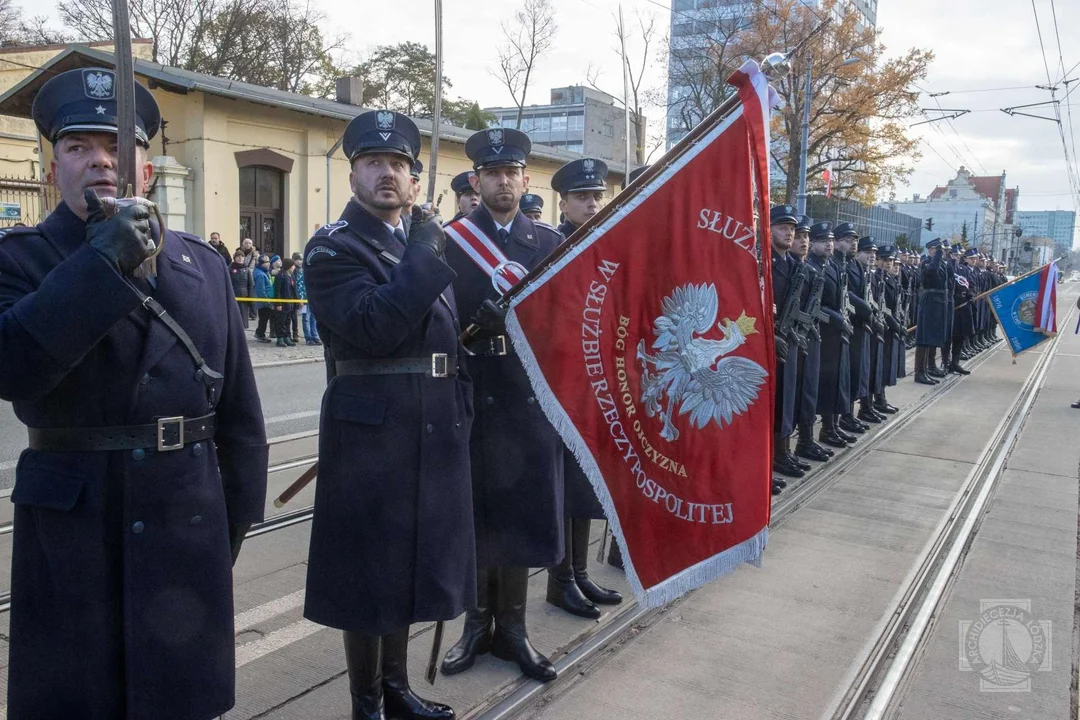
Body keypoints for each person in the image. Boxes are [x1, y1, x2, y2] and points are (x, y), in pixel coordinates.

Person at [1, 66, 267, 719]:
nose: (101, 160)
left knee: (178, 697)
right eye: (79, 147)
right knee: (78, 697)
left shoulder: (202, 266)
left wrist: (231, 519)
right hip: (75, 526)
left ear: (146, 163)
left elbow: (237, 412)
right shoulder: (19, 259)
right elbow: (15, 370)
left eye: (119, 145)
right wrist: (100, 265)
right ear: (52, 166)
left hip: (187, 517)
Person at [302, 109, 474, 720]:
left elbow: (439, 335)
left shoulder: (417, 241)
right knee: (368, 575)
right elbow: (373, 326)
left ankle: (398, 688)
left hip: (429, 428)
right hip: (371, 435)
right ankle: (366, 702)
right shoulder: (333, 248)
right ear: (352, 177)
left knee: (409, 566)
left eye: (398, 164)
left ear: (414, 178)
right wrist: (427, 256)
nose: (387, 174)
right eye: (373, 163)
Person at [441, 126, 565, 683]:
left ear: (525, 179)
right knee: (472, 514)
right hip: (468, 396)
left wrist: (519, 321)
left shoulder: (549, 246)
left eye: (511, 173)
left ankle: (512, 630)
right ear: (476, 181)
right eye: (492, 174)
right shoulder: (448, 241)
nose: (502, 182)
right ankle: (476, 625)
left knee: (517, 514)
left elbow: (567, 326)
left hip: (523, 397)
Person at [544, 158, 621, 618]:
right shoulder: (551, 247)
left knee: (586, 481)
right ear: (564, 202)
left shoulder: (606, 245)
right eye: (582, 197)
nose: (592, 203)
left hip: (596, 382)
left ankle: (578, 571)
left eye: (597, 196)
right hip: (560, 382)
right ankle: (560, 579)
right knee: (562, 484)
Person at [805, 222, 854, 449]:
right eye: (824, 241)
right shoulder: (811, 266)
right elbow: (815, 305)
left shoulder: (832, 266)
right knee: (823, 385)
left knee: (836, 382)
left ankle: (832, 426)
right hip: (821, 332)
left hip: (836, 334)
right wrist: (837, 319)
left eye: (832, 241)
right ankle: (823, 430)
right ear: (813, 243)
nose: (829, 244)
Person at [768, 204, 805, 495]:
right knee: (766, 408)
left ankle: (781, 453)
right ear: (768, 231)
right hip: (766, 343)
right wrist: (771, 334)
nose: (789, 233)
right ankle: (764, 465)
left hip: (787, 339)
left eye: (791, 229)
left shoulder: (793, 264)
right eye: (782, 227)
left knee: (784, 401)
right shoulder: (762, 263)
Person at [791, 215, 832, 464]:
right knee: (791, 398)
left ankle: (805, 440)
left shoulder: (810, 268)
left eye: (806, 236)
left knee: (808, 392)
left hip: (808, 337)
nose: (803, 241)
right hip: (793, 338)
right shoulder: (798, 269)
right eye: (800, 236)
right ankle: (783, 450)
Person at [836, 224, 873, 434]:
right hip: (849, 324)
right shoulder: (845, 265)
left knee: (857, 371)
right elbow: (847, 294)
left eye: (855, 241)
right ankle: (845, 416)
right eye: (849, 240)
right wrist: (864, 308)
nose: (853, 244)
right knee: (848, 373)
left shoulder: (854, 265)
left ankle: (849, 413)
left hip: (858, 325)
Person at [914, 239, 948, 384]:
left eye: (940, 249)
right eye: (936, 249)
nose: (939, 252)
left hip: (938, 302)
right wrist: (939, 255)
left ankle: (928, 368)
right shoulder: (927, 262)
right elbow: (932, 271)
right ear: (930, 250)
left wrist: (947, 256)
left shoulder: (941, 264)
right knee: (923, 338)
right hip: (929, 301)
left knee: (931, 337)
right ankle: (919, 372)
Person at [294, 250, 321, 345]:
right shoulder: (302, 272)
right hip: (305, 299)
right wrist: (300, 300)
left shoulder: (315, 272)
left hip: (313, 299)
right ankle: (308, 337)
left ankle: (315, 336)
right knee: (306, 318)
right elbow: (300, 286)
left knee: (314, 318)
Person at [273, 257, 298, 347]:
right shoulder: (281, 275)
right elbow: (277, 291)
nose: (294, 267)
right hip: (283, 302)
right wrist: (278, 303)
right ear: (289, 266)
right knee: (281, 321)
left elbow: (294, 289)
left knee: (288, 320)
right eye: (293, 265)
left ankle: (286, 337)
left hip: (290, 303)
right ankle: (280, 339)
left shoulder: (291, 275)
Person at [230, 248, 254, 328]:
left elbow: (250, 284)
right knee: (233, 318)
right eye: (238, 256)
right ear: (235, 258)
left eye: (242, 256)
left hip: (244, 297)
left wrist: (250, 297)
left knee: (243, 318)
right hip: (233, 296)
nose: (240, 258)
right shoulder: (229, 268)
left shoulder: (247, 270)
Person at [253, 253, 274, 343]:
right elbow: (261, 290)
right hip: (264, 301)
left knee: (264, 318)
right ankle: (260, 334)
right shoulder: (260, 274)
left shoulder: (265, 272)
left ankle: (259, 332)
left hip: (266, 300)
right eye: (265, 262)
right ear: (261, 263)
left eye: (269, 262)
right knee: (264, 318)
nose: (268, 264)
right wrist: (267, 302)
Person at [290, 252, 303, 342]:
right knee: (290, 317)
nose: (300, 262)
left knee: (295, 317)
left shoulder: (302, 270)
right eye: (298, 260)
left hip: (299, 295)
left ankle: (295, 333)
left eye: (301, 260)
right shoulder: (293, 271)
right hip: (293, 296)